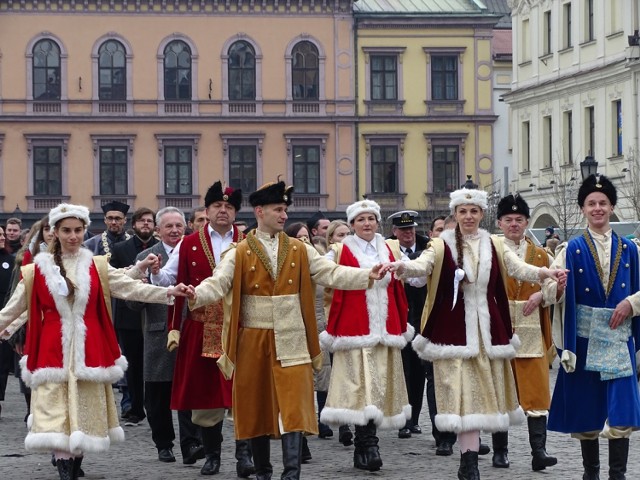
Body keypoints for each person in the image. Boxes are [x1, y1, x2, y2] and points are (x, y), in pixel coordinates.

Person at [181, 180, 385, 480]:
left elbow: (330, 272)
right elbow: (219, 282)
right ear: (260, 211)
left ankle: (291, 473)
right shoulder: (240, 251)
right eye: (278, 209)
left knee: (295, 405)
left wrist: (367, 274)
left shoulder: (300, 249)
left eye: (285, 210)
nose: (284, 215)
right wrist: (195, 294)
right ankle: (263, 472)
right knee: (255, 406)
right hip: (253, 338)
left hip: (292, 338)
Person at [387, 187, 566, 480]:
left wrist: (544, 273)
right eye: (462, 211)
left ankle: (474, 459)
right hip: (453, 332)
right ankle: (468, 460)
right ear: (455, 215)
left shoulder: (493, 243)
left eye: (474, 211)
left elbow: (516, 267)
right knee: (462, 397)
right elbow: (423, 265)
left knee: (482, 396)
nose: (468, 216)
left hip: (487, 333)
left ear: (482, 214)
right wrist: (402, 267)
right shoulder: (441, 244)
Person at [0, 203, 186, 480]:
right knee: (56, 410)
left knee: (84, 409)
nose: (73, 236)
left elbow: (129, 287)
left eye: (77, 230)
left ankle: (74, 464)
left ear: (84, 230)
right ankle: (65, 468)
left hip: (89, 347)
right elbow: (13, 309)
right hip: (53, 349)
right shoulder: (35, 270)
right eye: (66, 231)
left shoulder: (96, 266)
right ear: (55, 232)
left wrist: (168, 291)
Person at [150, 181, 254, 477]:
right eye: (218, 206)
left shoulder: (249, 241)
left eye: (229, 207)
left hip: (239, 327)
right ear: (207, 211)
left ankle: (244, 455)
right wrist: (157, 272)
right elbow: (169, 279)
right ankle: (212, 455)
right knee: (207, 395)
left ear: (236, 212)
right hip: (201, 326)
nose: (223, 211)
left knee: (241, 392)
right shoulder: (190, 242)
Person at [545, 175, 640, 480]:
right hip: (584, 340)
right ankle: (591, 474)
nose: (597, 208)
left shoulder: (630, 250)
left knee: (621, 410)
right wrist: (557, 287)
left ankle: (618, 475)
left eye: (603, 203)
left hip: (618, 338)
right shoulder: (570, 249)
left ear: (612, 207)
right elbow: (551, 289)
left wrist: (632, 304)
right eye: (591, 203)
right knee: (587, 412)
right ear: (582, 209)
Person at [320, 200, 412, 472]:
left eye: (371, 218)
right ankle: (368, 445)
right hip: (355, 328)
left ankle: (365, 445)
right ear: (351, 225)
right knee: (361, 387)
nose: (367, 223)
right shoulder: (340, 249)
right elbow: (327, 275)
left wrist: (406, 269)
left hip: (385, 328)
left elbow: (414, 275)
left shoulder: (390, 247)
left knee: (378, 387)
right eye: (361, 219)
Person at [125, 207, 203, 465]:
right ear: (157, 230)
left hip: (190, 329)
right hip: (158, 334)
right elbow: (133, 304)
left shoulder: (194, 253)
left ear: (186, 228)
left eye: (179, 226)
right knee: (158, 396)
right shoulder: (145, 257)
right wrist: (147, 279)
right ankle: (164, 444)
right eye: (168, 226)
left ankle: (191, 444)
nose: (174, 231)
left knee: (189, 390)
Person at [494, 194, 557, 471]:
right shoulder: (492, 252)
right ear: (499, 222)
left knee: (536, 391)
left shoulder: (542, 255)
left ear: (527, 222)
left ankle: (539, 451)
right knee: (501, 388)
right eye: (508, 220)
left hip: (532, 329)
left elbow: (556, 288)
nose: (514, 225)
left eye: (519, 220)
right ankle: (500, 451)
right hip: (499, 329)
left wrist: (542, 298)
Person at [109, 207, 158, 426]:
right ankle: (135, 407)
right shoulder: (120, 249)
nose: (146, 224)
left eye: (149, 221)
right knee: (134, 365)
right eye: (142, 221)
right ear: (134, 224)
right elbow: (114, 280)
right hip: (129, 316)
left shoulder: (161, 248)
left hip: (156, 313)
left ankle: (154, 406)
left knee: (155, 365)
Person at [386, 210, 429, 440]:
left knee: (419, 372)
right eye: (403, 230)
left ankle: (415, 418)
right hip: (398, 319)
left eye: (411, 229)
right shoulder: (387, 250)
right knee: (403, 370)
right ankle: (403, 419)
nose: (408, 234)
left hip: (422, 317)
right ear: (395, 232)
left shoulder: (428, 248)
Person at [423, 215, 459, 456]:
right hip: (436, 325)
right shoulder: (433, 253)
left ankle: (465, 432)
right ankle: (442, 435)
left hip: (466, 327)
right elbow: (416, 277)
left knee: (463, 380)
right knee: (437, 380)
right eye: (442, 232)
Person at [0, 225, 15, 417]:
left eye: (2, 234)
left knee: (1, 363)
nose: (2, 237)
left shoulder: (10, 261)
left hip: (4, 314)